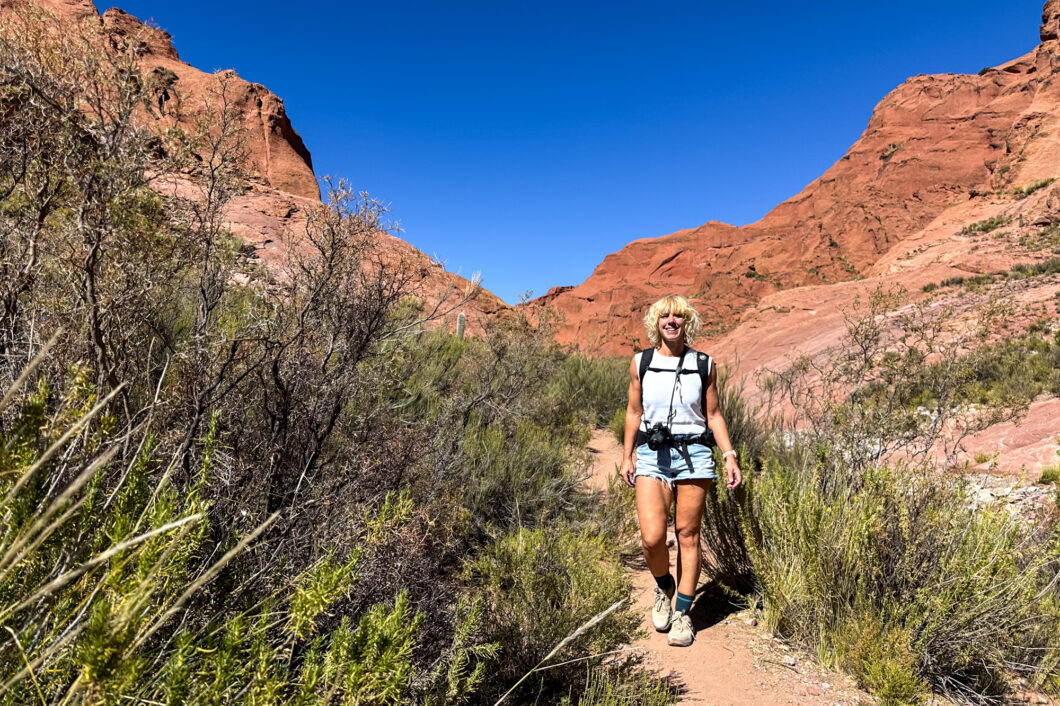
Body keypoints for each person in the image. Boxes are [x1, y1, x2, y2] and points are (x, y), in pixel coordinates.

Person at [620, 294, 741, 647]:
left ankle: (684, 613)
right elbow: (633, 412)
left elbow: (714, 414)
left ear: (687, 322)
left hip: (695, 455)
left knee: (688, 534)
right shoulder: (641, 362)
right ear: (655, 323)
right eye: (664, 316)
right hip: (652, 455)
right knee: (653, 537)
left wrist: (729, 454)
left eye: (678, 316)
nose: (671, 321)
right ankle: (663, 585)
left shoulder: (704, 364)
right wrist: (628, 456)